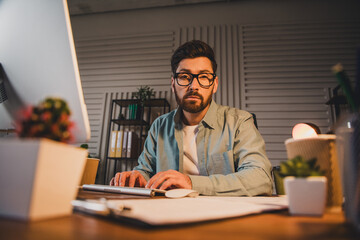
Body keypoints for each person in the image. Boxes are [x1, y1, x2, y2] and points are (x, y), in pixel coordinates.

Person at [110, 40, 273, 196]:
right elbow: (145, 171)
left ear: (214, 84)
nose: (193, 86)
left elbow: (261, 178)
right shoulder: (159, 126)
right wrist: (136, 178)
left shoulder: (239, 122)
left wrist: (191, 183)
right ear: (173, 84)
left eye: (203, 77)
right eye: (184, 77)